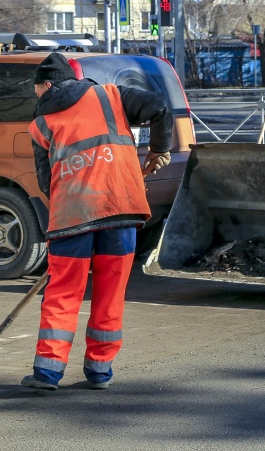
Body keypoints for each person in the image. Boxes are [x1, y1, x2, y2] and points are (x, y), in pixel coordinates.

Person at [21, 52, 173, 391]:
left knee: (63, 293)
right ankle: (100, 371)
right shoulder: (112, 95)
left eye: (38, 91)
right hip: (121, 210)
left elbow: (47, 183)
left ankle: (47, 373)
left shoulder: (39, 124)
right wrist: (159, 150)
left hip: (72, 218)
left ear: (47, 85)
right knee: (110, 293)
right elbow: (159, 106)